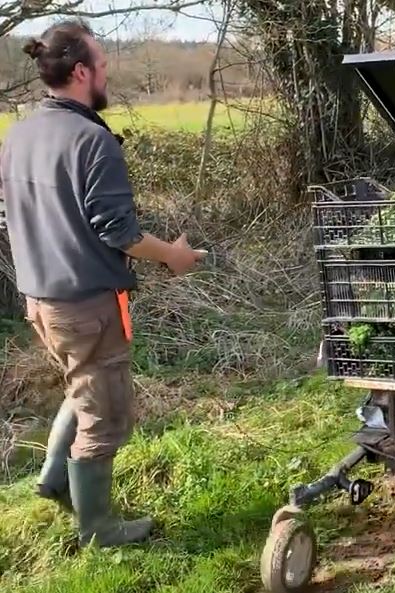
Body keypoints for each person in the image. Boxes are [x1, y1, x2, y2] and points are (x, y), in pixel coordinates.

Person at [0, 20, 205, 547]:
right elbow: (120, 232)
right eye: (104, 65)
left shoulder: (17, 134)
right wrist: (174, 256)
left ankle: (52, 479)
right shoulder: (93, 140)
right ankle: (97, 528)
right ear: (82, 71)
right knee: (106, 416)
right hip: (86, 304)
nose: (109, 74)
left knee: (81, 384)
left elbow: (9, 217)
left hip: (39, 301)